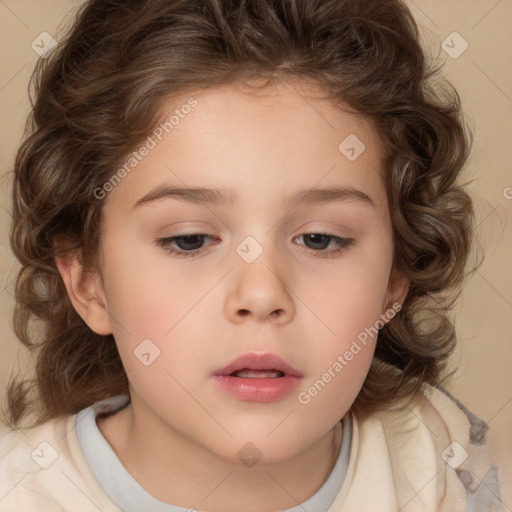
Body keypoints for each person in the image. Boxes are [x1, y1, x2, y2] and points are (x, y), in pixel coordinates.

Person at [0, 0, 505, 510]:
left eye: (320, 239)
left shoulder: (442, 455)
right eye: (190, 240)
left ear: (395, 276)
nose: (262, 295)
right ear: (89, 281)